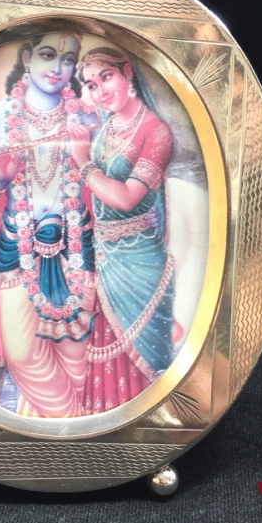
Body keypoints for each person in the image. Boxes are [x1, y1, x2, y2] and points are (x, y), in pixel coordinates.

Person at [0, 32, 99, 417]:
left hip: (77, 246)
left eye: (68, 60)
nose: (58, 68)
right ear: (26, 58)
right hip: (17, 248)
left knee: (76, 357)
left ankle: (58, 440)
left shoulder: (88, 119)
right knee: (21, 354)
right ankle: (69, 431)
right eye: (47, 55)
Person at [69, 47, 183, 414]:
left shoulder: (157, 132)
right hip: (106, 263)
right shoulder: (105, 128)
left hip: (140, 265)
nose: (101, 90)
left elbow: (126, 198)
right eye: (92, 84)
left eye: (107, 77)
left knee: (146, 362)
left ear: (127, 72)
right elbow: (94, 199)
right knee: (107, 367)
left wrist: (83, 162)